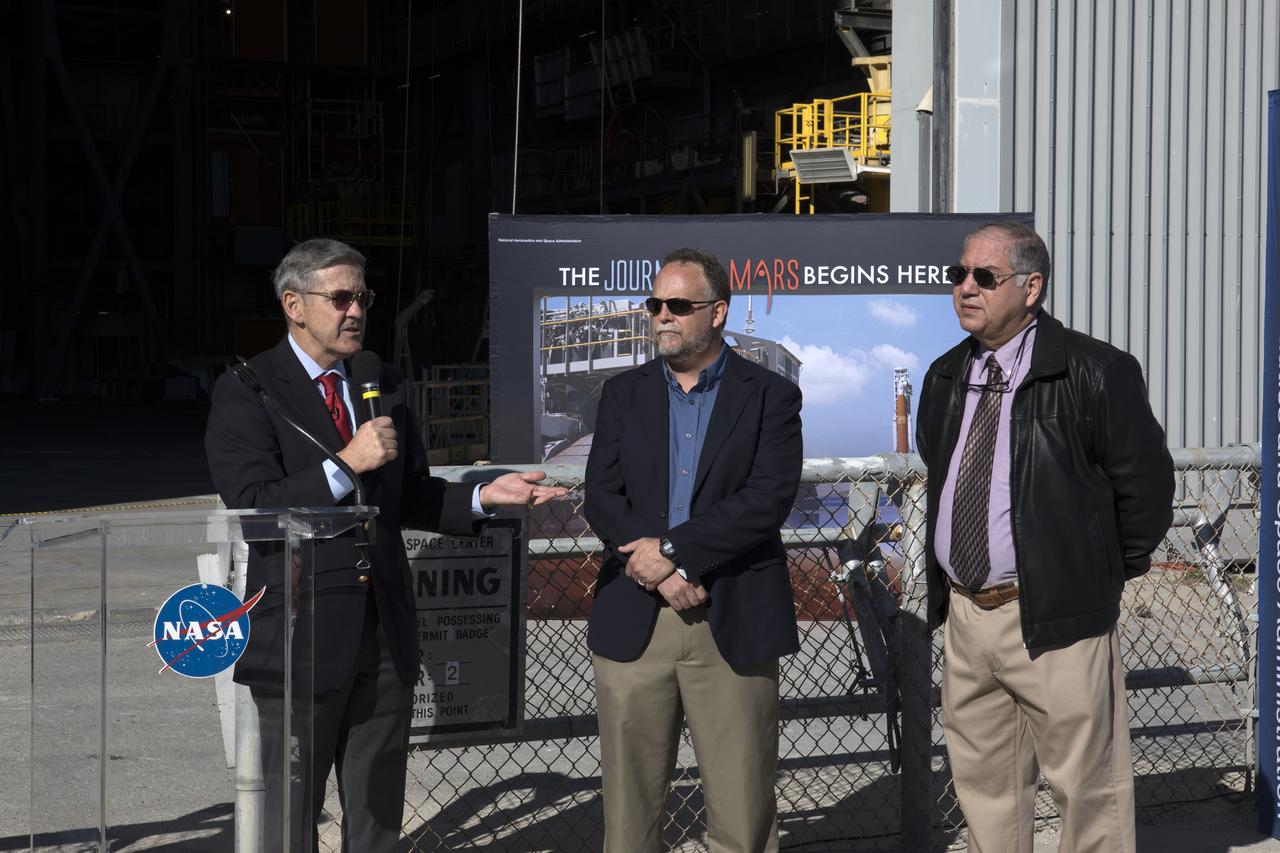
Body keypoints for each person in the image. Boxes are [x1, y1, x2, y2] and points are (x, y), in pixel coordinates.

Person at [204, 238, 565, 852]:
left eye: (363, 297)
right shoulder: (248, 388)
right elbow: (257, 507)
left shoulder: (381, 382)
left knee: (376, 814)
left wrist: (484, 496)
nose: (356, 311)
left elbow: (411, 496)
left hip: (384, 629)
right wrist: (347, 462)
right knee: (287, 816)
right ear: (293, 304)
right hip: (300, 633)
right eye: (341, 298)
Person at [916, 222, 1175, 853]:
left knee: (1088, 793)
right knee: (986, 789)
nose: (965, 288)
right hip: (967, 617)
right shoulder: (946, 374)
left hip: (1058, 617)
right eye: (959, 275)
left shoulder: (1096, 371)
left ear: (1032, 288)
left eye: (985, 276)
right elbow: (940, 463)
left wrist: (1097, 574)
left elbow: (1145, 488)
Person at [583, 247, 803, 853]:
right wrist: (656, 570)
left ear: (718, 313)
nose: (662, 316)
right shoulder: (622, 393)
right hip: (636, 616)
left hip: (729, 615)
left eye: (679, 305)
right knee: (629, 818)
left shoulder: (770, 397)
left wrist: (675, 553)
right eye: (655, 304)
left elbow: (766, 500)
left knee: (741, 809)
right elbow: (602, 496)